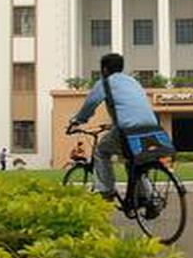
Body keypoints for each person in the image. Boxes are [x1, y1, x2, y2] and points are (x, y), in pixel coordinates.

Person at [69, 53, 162, 203]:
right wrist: (113, 125)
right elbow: (132, 108)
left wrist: (77, 121)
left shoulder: (105, 83)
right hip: (152, 127)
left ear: (104, 69)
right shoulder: (133, 82)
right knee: (134, 160)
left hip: (127, 129)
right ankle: (148, 197)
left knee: (101, 152)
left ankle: (107, 191)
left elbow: (90, 105)